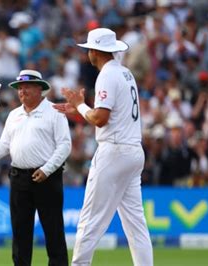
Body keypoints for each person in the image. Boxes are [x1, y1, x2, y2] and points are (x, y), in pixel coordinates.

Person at [53, 28, 153, 266]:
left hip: (114, 152)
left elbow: (101, 119)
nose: (87, 53)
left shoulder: (106, 75)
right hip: (133, 152)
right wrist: (78, 108)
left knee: (90, 220)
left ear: (95, 51)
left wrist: (79, 105)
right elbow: (110, 115)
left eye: (89, 49)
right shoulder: (125, 73)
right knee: (136, 224)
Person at [0, 69, 71, 266]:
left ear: (40, 89)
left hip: (47, 177)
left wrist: (47, 169)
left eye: (27, 87)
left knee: (53, 230)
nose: (22, 91)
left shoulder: (54, 111)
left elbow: (65, 145)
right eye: (19, 88)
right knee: (20, 233)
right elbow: (5, 143)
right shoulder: (14, 115)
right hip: (19, 177)